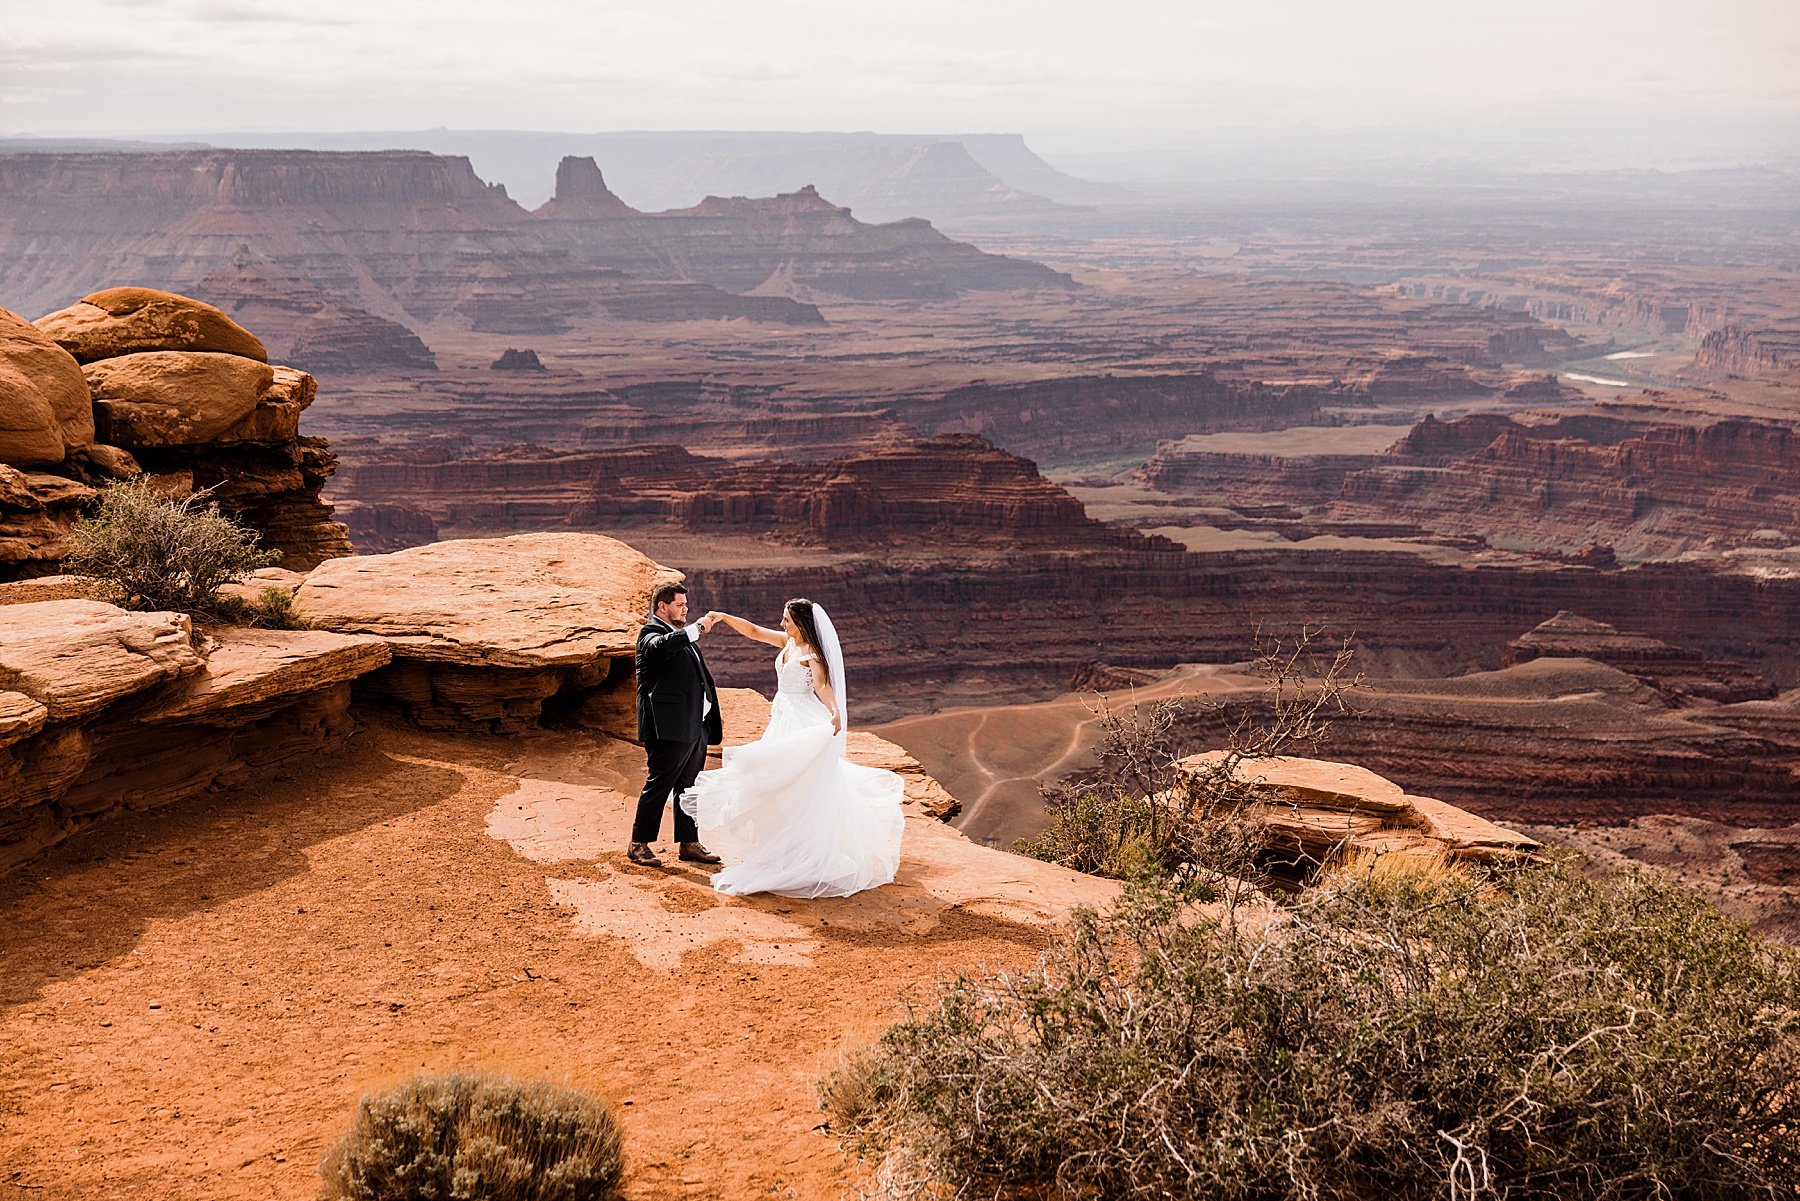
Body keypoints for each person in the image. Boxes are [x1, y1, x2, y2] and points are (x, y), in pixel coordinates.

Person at [679, 598, 904, 898]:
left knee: (798, 784)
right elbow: (755, 632)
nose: (782, 624)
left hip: (801, 720)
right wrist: (723, 617)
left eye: (787, 619)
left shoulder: (812, 653)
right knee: (778, 784)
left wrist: (835, 711)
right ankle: (782, 849)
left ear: (800, 623)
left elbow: (823, 687)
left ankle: (806, 853)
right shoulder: (787, 641)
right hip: (782, 715)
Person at [627, 582, 723, 869]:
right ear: (662, 606)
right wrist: (699, 628)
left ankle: (688, 843)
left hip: (694, 726)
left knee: (689, 787)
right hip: (667, 727)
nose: (685, 609)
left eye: (686, 605)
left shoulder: (677, 635)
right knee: (659, 784)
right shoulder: (651, 633)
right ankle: (638, 844)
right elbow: (661, 648)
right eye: (680, 605)